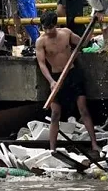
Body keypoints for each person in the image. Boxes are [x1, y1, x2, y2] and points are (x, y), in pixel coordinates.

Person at [35, 11, 100, 153]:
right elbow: (42, 64)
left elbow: (84, 42)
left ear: (56, 24)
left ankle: (94, 144)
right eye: (45, 28)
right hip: (56, 78)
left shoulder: (66, 33)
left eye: (50, 27)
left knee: (83, 109)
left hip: (72, 74)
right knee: (55, 113)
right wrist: (51, 81)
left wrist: (93, 25)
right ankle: (52, 149)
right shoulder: (41, 41)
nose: (48, 31)